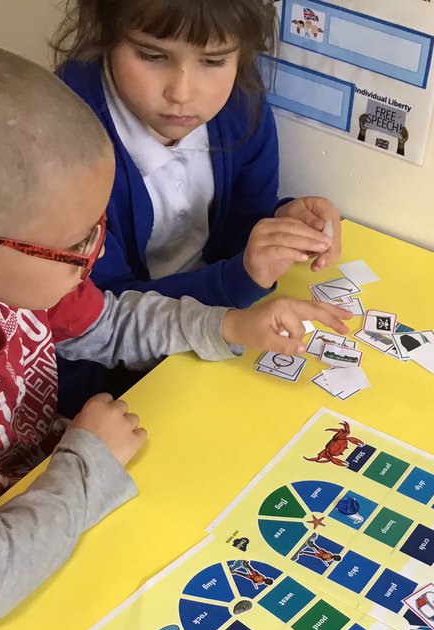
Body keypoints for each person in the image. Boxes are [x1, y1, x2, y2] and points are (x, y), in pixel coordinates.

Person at [0, 38, 350, 627]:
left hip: (38, 487)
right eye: (78, 244)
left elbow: (109, 323)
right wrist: (86, 462)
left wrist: (230, 324)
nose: (99, 251)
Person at [52, 0, 343, 412]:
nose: (181, 94)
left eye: (213, 61)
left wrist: (282, 222)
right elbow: (98, 320)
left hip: (211, 337)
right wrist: (241, 277)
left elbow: (241, 224)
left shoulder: (242, 105)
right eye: (152, 56)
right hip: (103, 386)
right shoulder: (64, 138)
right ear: (107, 35)